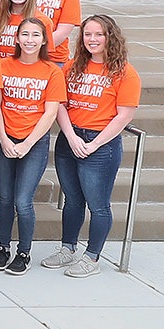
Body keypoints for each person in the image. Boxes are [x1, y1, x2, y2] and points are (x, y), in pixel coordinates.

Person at [49, 15, 141, 276]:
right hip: (70, 139)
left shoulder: (125, 72)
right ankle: (68, 248)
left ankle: (92, 257)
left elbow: (123, 116)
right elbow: (60, 104)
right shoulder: (72, 66)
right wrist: (71, 136)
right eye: (87, 34)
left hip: (101, 144)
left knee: (98, 204)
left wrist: (94, 144)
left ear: (111, 37)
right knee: (72, 200)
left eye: (99, 34)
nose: (92, 39)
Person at [0, 15, 66, 275]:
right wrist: (3, 139)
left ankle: (24, 252)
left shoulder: (52, 71)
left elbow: (50, 112)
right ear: (17, 38)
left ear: (44, 40)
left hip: (34, 143)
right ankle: (3, 248)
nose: (29, 40)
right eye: (25, 34)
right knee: (5, 198)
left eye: (35, 35)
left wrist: (27, 143)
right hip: (5, 139)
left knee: (23, 201)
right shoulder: (3, 66)